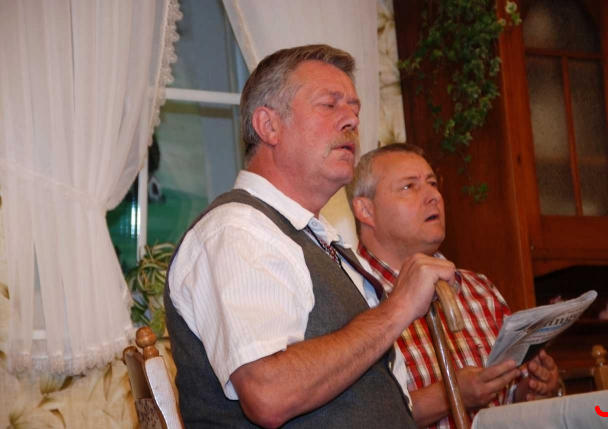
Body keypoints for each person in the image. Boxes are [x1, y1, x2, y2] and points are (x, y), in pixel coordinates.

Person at [164, 45, 472, 428]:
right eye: (329, 105)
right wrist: (398, 308)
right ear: (269, 126)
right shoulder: (237, 230)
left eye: (355, 109)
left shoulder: (316, 236)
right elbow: (268, 393)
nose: (351, 120)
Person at [346, 143, 560, 428]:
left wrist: (530, 389)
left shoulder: (480, 289)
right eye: (409, 187)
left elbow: (508, 398)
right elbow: (353, 418)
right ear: (366, 210)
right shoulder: (347, 296)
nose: (433, 196)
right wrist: (449, 396)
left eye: (432, 184)